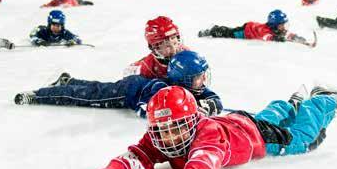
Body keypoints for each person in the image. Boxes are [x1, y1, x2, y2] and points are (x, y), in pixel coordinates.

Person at [73, 84, 337, 169]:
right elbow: (136, 157)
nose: (169, 137)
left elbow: (206, 156)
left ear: (191, 122)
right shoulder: (161, 137)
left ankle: (324, 100)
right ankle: (290, 103)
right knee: (270, 114)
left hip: (258, 138)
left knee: (304, 139)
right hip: (240, 121)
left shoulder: (205, 130)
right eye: (162, 130)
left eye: (176, 128)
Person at [14, 50, 223, 118]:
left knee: (95, 87)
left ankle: (69, 80)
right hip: (126, 93)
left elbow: (214, 98)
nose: (203, 80)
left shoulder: (194, 88)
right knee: (84, 95)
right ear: (183, 79)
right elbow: (145, 110)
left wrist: (210, 105)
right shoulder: (162, 90)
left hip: (135, 84)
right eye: (199, 76)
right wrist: (183, 112)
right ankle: (39, 94)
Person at [198, 9, 314, 46]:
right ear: (274, 24)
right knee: (226, 32)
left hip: (252, 27)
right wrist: (278, 39)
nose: (284, 27)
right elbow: (266, 37)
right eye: (282, 25)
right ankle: (213, 30)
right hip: (245, 31)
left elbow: (289, 35)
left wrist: (303, 41)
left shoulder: (278, 30)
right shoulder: (265, 31)